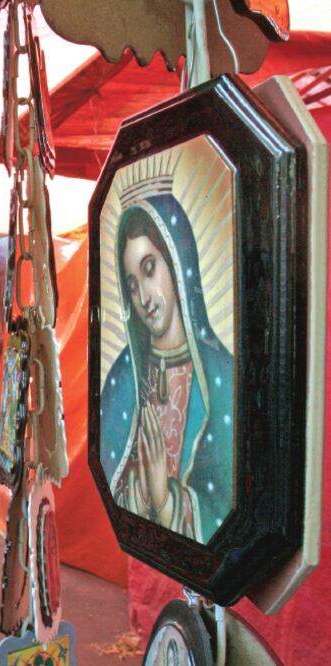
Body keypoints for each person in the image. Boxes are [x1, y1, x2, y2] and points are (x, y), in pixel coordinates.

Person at [99, 188, 233, 545]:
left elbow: (228, 508)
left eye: (148, 269)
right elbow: (110, 482)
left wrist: (167, 499)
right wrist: (143, 493)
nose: (143, 297)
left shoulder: (221, 377)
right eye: (131, 284)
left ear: (177, 261)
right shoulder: (123, 377)